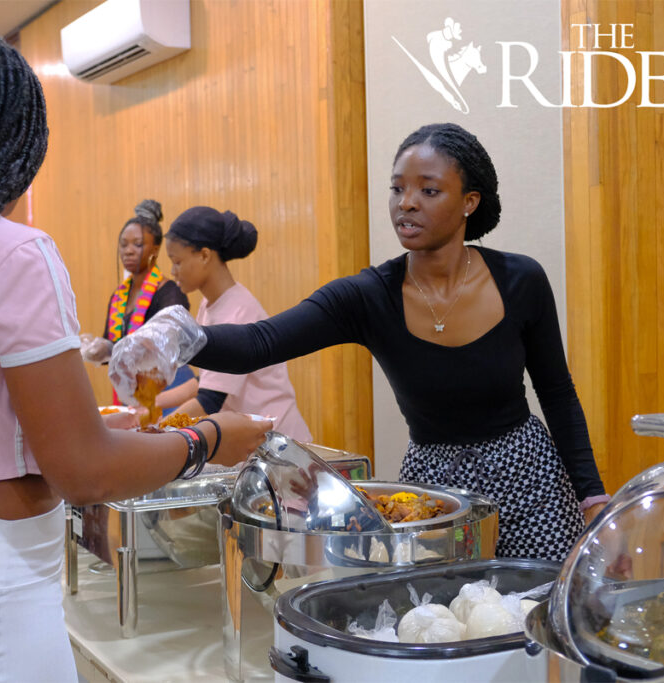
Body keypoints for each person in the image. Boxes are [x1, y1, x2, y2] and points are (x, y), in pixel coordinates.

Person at [0, 30, 268, 681]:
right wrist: (207, 438)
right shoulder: (16, 251)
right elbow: (85, 473)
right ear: (17, 143)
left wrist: (84, 430)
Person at [115, 123, 610, 562]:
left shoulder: (520, 280)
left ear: (469, 203)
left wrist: (593, 499)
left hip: (529, 479)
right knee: (445, 623)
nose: (406, 202)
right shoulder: (369, 296)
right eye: (397, 189)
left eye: (428, 190)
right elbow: (260, 342)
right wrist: (184, 333)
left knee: (540, 617)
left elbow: (558, 393)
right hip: (433, 492)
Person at [164, 206, 312, 441]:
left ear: (204, 255)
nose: (173, 271)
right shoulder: (208, 304)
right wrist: (152, 404)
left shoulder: (238, 310)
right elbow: (204, 382)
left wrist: (158, 431)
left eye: (177, 261)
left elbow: (209, 400)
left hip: (279, 441)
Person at [83, 199, 198, 411]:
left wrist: (113, 348)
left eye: (137, 244)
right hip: (130, 391)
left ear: (155, 248)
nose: (128, 251)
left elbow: (166, 346)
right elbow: (114, 346)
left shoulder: (171, 293)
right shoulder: (119, 296)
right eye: (123, 244)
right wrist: (97, 350)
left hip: (169, 392)